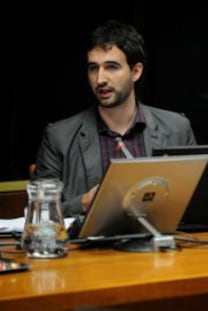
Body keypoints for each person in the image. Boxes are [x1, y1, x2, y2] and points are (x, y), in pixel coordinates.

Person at [32, 20, 197, 217]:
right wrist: (83, 204)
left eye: (111, 67)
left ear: (136, 71)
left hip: (159, 244)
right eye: (93, 68)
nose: (100, 79)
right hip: (89, 247)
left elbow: (197, 200)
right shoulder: (59, 137)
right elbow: (39, 213)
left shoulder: (176, 128)